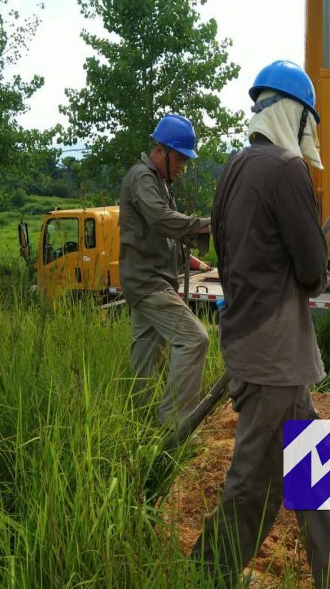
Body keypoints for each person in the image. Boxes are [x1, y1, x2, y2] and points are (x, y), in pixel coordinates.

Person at [192, 60, 330, 588]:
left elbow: (229, 253)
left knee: (318, 462)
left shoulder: (234, 169)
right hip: (275, 352)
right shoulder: (287, 169)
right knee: (257, 480)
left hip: (253, 340)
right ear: (297, 116)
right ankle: (208, 573)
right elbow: (313, 273)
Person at [119, 113, 211, 425]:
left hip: (147, 280)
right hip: (148, 282)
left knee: (146, 360)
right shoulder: (143, 178)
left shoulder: (158, 181)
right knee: (195, 339)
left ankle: (141, 427)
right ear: (162, 151)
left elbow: (163, 229)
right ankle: (175, 424)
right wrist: (203, 225)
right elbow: (160, 219)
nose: (183, 166)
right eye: (180, 158)